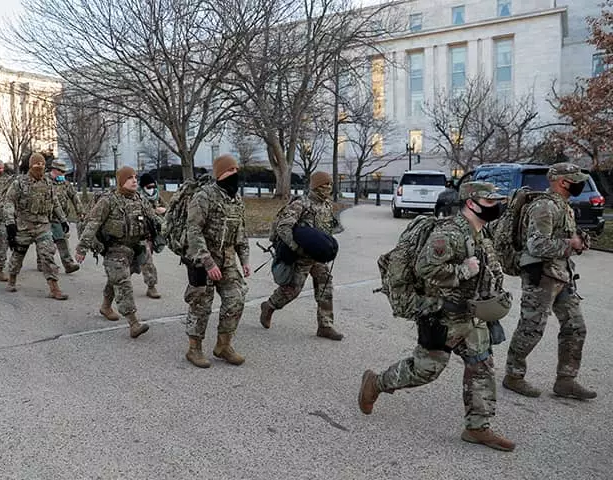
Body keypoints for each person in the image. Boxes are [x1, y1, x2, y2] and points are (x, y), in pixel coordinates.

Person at [359, 181, 516, 452]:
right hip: (445, 316)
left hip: (473, 315)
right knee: (425, 371)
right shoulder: (450, 233)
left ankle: (477, 427)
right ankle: (376, 382)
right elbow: (425, 268)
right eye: (490, 202)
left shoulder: (481, 232)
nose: (496, 206)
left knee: (481, 367)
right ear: (471, 203)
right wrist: (464, 270)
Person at [503, 162, 596, 400]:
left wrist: (578, 240)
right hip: (540, 276)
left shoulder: (563, 206)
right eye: (576, 179)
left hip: (562, 274)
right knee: (531, 329)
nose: (580, 183)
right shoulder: (544, 206)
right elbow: (536, 245)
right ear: (562, 181)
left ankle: (566, 380)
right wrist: (570, 244)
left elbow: (561, 238)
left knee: (575, 327)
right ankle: (513, 375)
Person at [183, 154, 250, 368]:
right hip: (204, 258)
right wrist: (208, 262)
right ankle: (194, 349)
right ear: (220, 173)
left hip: (228, 259)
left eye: (236, 170)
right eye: (230, 170)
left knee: (236, 298)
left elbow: (241, 231)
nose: (235, 174)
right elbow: (193, 230)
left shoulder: (236, 199)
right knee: (201, 303)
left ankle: (223, 345)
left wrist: (245, 259)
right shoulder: (204, 196)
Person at [259, 171, 343, 340]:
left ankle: (325, 325)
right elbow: (283, 227)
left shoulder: (327, 205)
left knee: (325, 285)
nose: (328, 188)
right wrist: (296, 248)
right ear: (316, 186)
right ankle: (269, 306)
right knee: (292, 290)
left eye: (330, 185)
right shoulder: (301, 204)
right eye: (324, 185)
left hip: (317, 257)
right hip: (301, 256)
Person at [76, 166, 155, 339]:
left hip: (134, 248)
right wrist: (81, 248)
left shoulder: (140, 199)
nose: (134, 180)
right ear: (121, 181)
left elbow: (155, 219)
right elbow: (93, 224)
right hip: (114, 248)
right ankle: (133, 323)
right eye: (129, 178)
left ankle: (105, 306)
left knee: (116, 279)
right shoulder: (108, 201)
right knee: (122, 281)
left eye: (135, 177)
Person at [3, 153, 70, 300]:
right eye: (36, 164)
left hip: (43, 225)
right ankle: (12, 278)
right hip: (24, 226)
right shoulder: (19, 183)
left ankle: (54, 288)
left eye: (42, 164)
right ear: (30, 166)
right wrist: (10, 223)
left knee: (47, 255)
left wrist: (63, 219)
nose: (39, 167)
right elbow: (9, 202)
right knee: (18, 255)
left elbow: (55, 202)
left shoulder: (48, 183)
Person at [46, 159, 83, 274]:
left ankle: (67, 264)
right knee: (47, 242)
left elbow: (74, 197)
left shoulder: (65, 184)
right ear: (54, 170)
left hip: (60, 218)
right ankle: (46, 263)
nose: (63, 174)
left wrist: (80, 211)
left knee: (61, 240)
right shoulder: (44, 181)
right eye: (61, 172)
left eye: (64, 172)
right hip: (46, 217)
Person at [138, 173, 166, 299]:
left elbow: (167, 208)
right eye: (149, 186)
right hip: (140, 233)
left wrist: (164, 210)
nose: (152, 188)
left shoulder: (157, 196)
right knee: (145, 259)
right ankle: (151, 286)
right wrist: (154, 211)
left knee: (146, 259)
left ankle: (150, 285)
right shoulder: (137, 197)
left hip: (153, 233)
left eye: (153, 186)